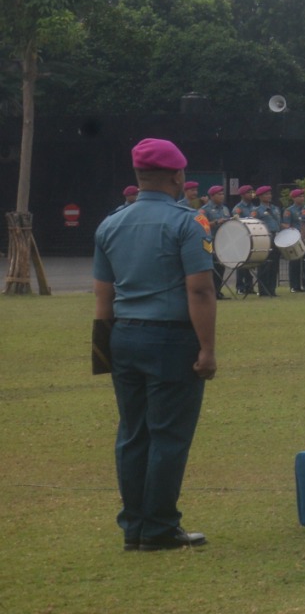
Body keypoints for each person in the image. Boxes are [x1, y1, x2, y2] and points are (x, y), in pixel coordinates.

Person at [92, 137, 217, 551]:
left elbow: (103, 296)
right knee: (168, 435)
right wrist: (207, 349)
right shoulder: (189, 222)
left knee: (133, 433)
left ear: (139, 175)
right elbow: (200, 290)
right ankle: (160, 527)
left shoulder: (110, 224)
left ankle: (134, 526)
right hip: (170, 337)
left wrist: (102, 352)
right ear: (178, 176)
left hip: (123, 335)